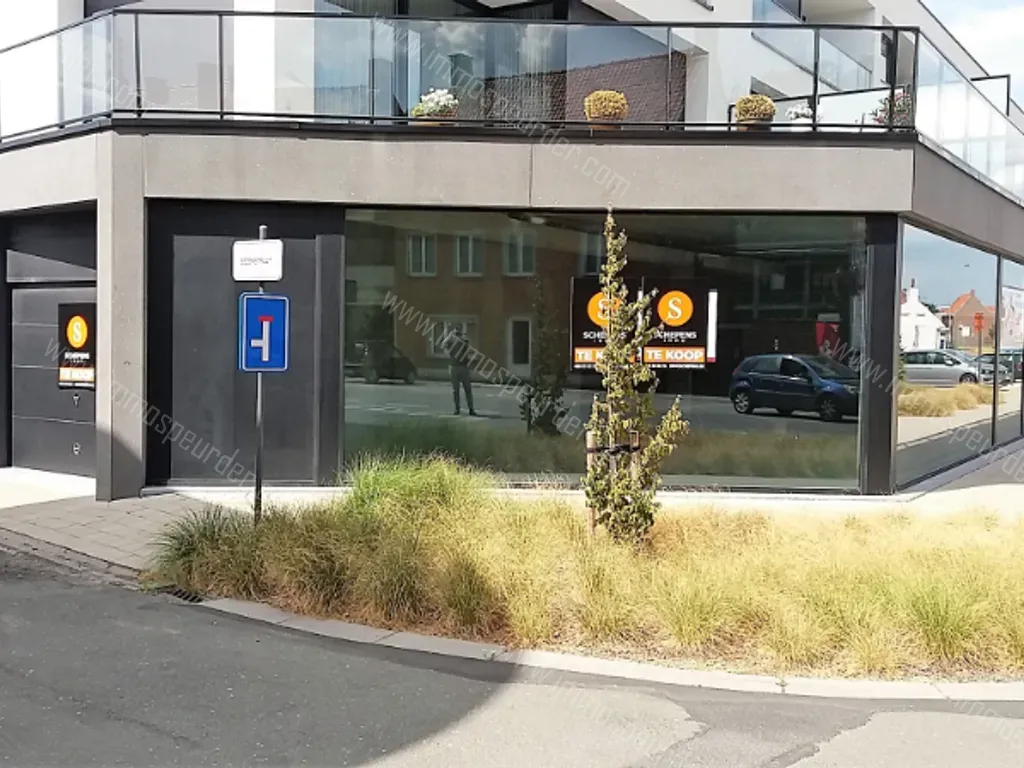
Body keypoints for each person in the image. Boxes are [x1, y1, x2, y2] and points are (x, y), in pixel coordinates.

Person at [446, 328, 477, 416]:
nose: (457, 337)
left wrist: (463, 337)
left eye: (458, 334)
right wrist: (449, 336)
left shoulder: (464, 342)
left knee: (467, 389)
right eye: (456, 334)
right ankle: (457, 408)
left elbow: (470, 345)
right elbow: (443, 344)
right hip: (454, 367)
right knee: (455, 390)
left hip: (463, 366)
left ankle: (471, 408)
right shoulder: (450, 343)